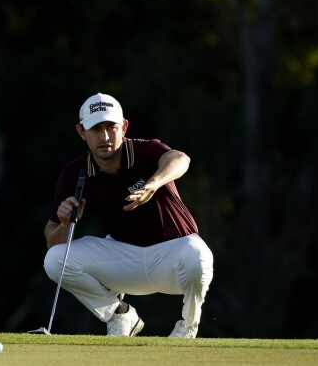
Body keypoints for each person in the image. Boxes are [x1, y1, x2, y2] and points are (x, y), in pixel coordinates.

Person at [41, 93, 214, 338]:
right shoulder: (75, 174)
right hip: (124, 261)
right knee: (54, 259)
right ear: (81, 132)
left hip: (173, 258)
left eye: (111, 127)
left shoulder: (144, 150)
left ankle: (187, 326)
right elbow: (53, 240)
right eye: (95, 129)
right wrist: (65, 223)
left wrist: (154, 184)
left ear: (123, 127)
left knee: (198, 254)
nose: (104, 137)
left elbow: (180, 158)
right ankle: (119, 314)